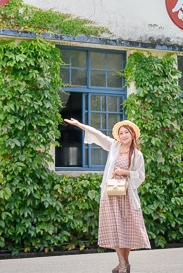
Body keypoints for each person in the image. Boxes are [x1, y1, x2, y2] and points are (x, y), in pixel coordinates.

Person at [63, 117, 150, 273]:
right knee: (114, 227)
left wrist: (125, 172)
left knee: (127, 228)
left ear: (132, 135)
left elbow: (141, 175)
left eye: (126, 132)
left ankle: (124, 264)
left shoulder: (137, 154)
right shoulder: (114, 146)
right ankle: (122, 263)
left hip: (127, 194)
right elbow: (97, 134)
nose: (123, 135)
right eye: (121, 133)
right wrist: (79, 125)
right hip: (111, 193)